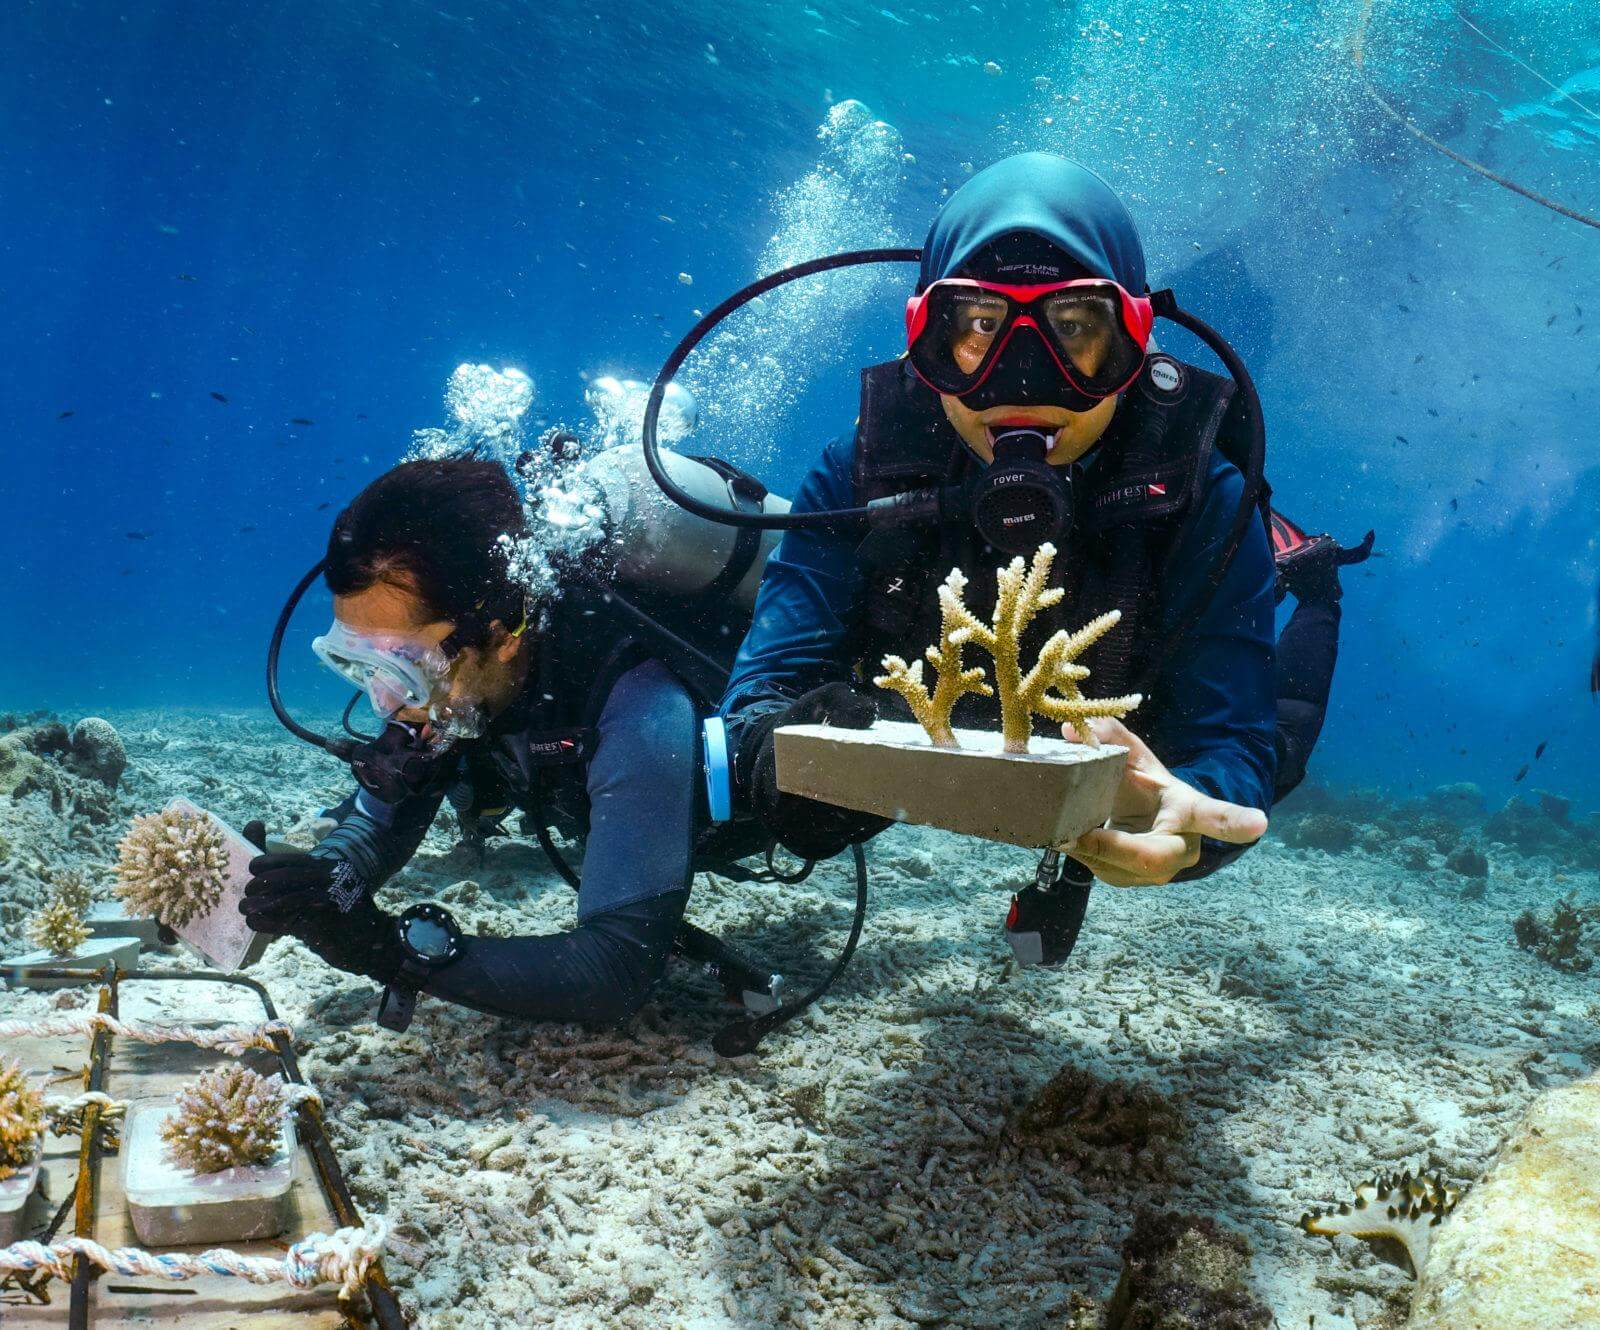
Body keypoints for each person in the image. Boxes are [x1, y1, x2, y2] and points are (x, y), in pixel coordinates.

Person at [720, 151, 1362, 967]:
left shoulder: (1205, 496)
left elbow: (1231, 741)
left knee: (1284, 746)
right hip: (939, 718)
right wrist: (777, 760)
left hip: (1134, 731)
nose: (1023, 381)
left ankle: (1318, 588)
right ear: (925, 335)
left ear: (1133, 339)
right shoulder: (855, 471)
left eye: (1076, 329)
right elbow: (763, 685)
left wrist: (1195, 822)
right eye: (980, 326)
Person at [241, 456, 770, 1031]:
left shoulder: (638, 699)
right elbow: (373, 830)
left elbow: (615, 970)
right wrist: (317, 885)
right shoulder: (457, 692)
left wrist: (386, 950)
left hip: (732, 810)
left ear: (501, 638)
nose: (384, 702)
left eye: (404, 665)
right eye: (359, 665)